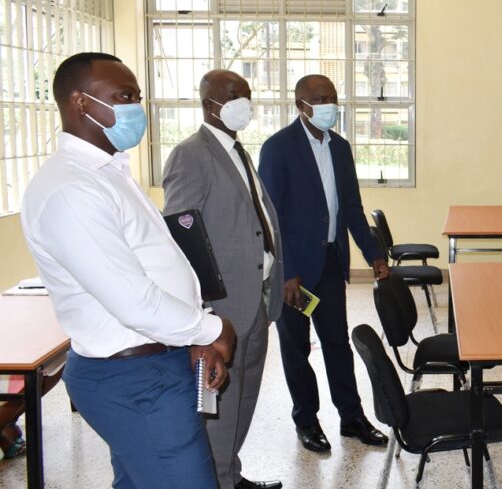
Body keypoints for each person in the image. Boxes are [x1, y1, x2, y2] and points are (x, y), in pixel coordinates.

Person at [20, 52, 236, 488]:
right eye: (124, 96)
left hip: (154, 363)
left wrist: (188, 339)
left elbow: (154, 269)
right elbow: (133, 300)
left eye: (137, 96)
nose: (137, 108)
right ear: (80, 103)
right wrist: (209, 330)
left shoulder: (108, 172)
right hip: (134, 379)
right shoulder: (71, 188)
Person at [162, 69, 284, 489]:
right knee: (218, 407)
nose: (243, 103)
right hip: (222, 307)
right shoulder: (191, 154)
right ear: (208, 102)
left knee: (244, 397)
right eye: (234, 95)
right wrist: (202, 311)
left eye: (248, 95)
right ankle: (215, 480)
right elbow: (182, 237)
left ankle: (230, 474)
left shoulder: (237, 151)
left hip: (256, 300)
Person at [258, 74, 390, 453]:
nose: (330, 105)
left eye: (333, 97)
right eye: (320, 99)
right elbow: (272, 217)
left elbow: (351, 208)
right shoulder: (278, 148)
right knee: (296, 349)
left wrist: (374, 252)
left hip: (330, 263)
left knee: (336, 343)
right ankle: (307, 420)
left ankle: (351, 417)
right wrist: (287, 271)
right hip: (293, 274)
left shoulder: (341, 148)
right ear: (300, 104)